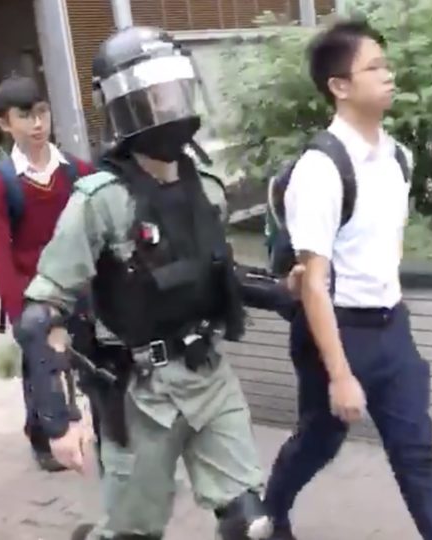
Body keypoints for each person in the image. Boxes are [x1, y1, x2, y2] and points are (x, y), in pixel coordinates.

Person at [14, 26, 274, 539]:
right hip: (140, 393)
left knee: (252, 524)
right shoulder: (101, 201)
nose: (167, 108)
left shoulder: (208, 189)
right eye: (150, 97)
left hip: (208, 374)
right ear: (121, 109)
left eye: (174, 90)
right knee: (135, 534)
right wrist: (59, 416)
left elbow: (216, 270)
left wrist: (291, 296)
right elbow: (42, 313)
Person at [261, 21, 432, 540]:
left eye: (386, 64)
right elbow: (313, 282)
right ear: (339, 86)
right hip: (337, 328)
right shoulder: (321, 169)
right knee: (320, 441)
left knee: (416, 454)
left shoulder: (399, 158)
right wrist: (342, 373)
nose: (388, 75)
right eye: (373, 67)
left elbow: (388, 244)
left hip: (392, 328)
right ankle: (271, 510)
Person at [0, 75, 96, 472]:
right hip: (33, 294)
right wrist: (21, 317)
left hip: (80, 287)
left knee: (91, 362)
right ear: (4, 124)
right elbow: (0, 255)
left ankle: (101, 428)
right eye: (25, 116)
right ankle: (41, 435)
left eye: (42, 112)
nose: (37, 124)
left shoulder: (78, 172)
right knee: (41, 369)